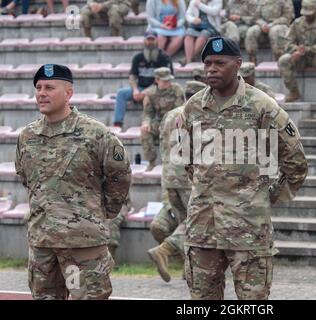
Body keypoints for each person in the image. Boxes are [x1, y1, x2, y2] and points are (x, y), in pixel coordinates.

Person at [178, 37, 308, 300]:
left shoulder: (262, 106)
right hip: (203, 229)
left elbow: (295, 162)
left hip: (248, 231)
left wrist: (265, 197)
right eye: (207, 63)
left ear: (237, 65)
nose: (212, 69)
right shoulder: (193, 107)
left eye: (220, 63)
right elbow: (187, 160)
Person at [15, 64, 132, 300]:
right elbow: (27, 179)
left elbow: (120, 177)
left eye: (49, 87)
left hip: (82, 245)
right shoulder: (27, 136)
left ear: (68, 93)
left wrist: (97, 214)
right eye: (38, 87)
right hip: (43, 244)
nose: (41, 93)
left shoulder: (96, 134)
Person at [148, 80, 207, 282]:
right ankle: (165, 249)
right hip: (189, 179)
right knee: (196, 222)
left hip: (170, 177)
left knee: (186, 221)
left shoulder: (170, 115)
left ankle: (188, 269)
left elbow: (163, 147)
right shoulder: (200, 115)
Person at [278, 0, 316, 103]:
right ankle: (293, 91)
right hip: (301, 57)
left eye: (310, 13)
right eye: (305, 14)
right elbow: (288, 42)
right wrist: (296, 50)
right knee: (283, 60)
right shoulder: (297, 23)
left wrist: (309, 49)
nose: (307, 16)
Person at [113, 30, 173, 128]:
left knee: (148, 97)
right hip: (140, 88)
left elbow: (165, 80)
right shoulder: (138, 57)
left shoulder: (163, 58)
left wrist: (146, 92)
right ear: (144, 41)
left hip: (158, 90)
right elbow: (132, 76)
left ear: (156, 40)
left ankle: (149, 124)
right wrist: (135, 90)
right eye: (148, 39)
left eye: (152, 39)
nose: (150, 42)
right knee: (121, 93)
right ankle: (117, 124)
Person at [141, 67, 185, 170]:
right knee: (145, 131)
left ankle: (171, 162)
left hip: (176, 121)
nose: (167, 83)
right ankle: (151, 162)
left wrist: (168, 123)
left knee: (171, 130)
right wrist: (146, 122)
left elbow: (180, 109)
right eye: (164, 81)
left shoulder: (177, 90)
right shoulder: (151, 94)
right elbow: (147, 113)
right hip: (160, 122)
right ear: (157, 80)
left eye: (169, 80)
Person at [245, 0, 294, 65]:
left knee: (275, 31)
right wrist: (262, 24)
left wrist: (272, 24)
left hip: (280, 24)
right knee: (251, 31)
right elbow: (256, 17)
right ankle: (252, 62)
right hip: (264, 24)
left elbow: (288, 17)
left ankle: (279, 61)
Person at [181, 0, 222, 65]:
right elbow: (188, 14)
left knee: (203, 35)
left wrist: (200, 5)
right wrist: (193, 19)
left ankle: (188, 59)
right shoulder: (194, 1)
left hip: (211, 26)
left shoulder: (217, 1)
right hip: (197, 25)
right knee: (188, 34)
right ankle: (189, 61)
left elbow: (214, 12)